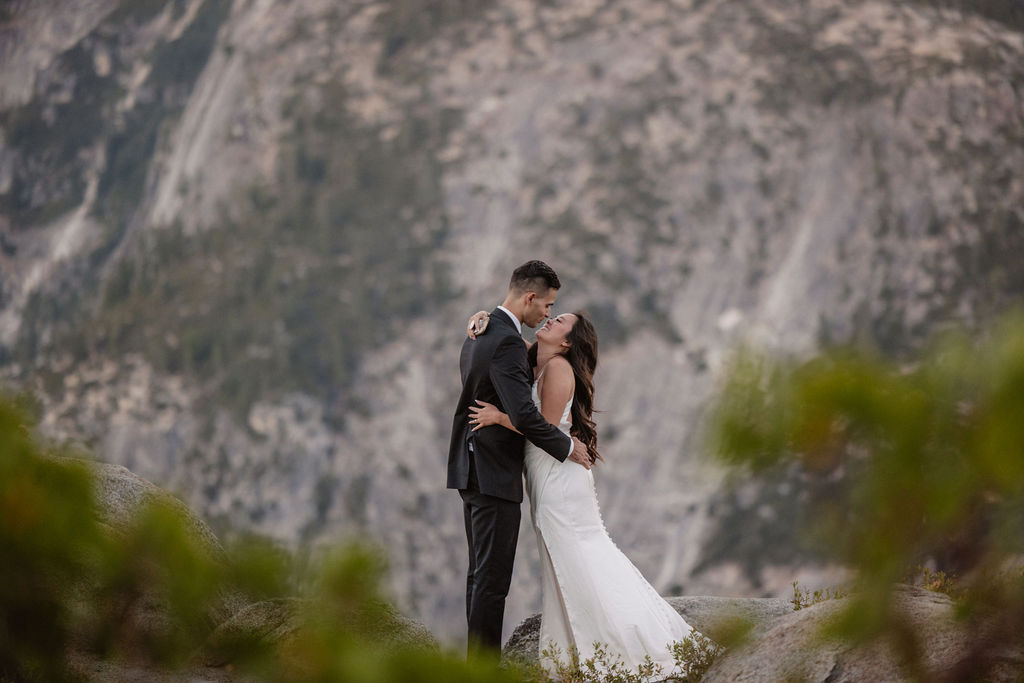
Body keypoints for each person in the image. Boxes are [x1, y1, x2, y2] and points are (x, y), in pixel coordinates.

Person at [465, 308, 695, 675]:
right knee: (567, 557)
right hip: (546, 474)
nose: (550, 320)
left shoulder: (557, 368)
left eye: (560, 322)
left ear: (568, 342)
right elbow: (504, 336)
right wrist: (482, 319)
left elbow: (543, 427)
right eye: (552, 316)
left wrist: (497, 418)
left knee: (579, 554)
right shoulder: (538, 359)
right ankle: (582, 647)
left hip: (558, 477)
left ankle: (626, 643)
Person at [447, 260, 592, 656]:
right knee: (491, 582)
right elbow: (527, 415)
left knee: (479, 576)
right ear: (530, 298)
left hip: (472, 466)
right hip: (493, 472)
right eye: (547, 306)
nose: (547, 314)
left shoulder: (483, 330)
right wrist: (565, 446)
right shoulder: (505, 338)